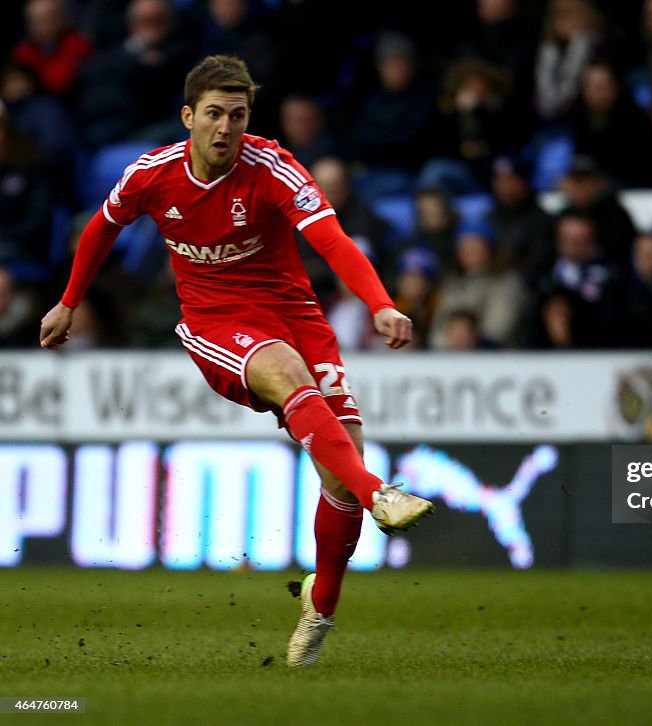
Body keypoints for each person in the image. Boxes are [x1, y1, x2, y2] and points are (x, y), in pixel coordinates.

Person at [38, 55, 433, 669]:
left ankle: (320, 605)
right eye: (215, 114)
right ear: (188, 116)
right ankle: (383, 493)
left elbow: (330, 239)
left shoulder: (271, 166)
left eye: (239, 115)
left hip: (296, 314)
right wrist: (68, 302)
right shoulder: (153, 175)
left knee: (339, 477)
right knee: (294, 384)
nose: (226, 128)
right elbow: (99, 228)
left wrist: (380, 304)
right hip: (217, 320)